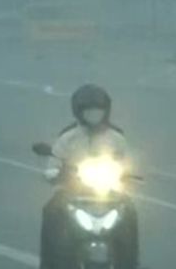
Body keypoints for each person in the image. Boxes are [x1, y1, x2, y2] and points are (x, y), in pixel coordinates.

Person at [40, 84, 138, 269]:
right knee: (50, 210)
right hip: (72, 194)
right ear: (79, 112)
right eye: (89, 112)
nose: (94, 116)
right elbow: (54, 163)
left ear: (106, 112)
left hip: (110, 194)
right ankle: (48, 264)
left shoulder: (117, 138)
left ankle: (130, 263)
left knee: (131, 212)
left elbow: (128, 163)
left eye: (98, 111)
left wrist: (129, 175)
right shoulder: (67, 138)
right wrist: (55, 174)